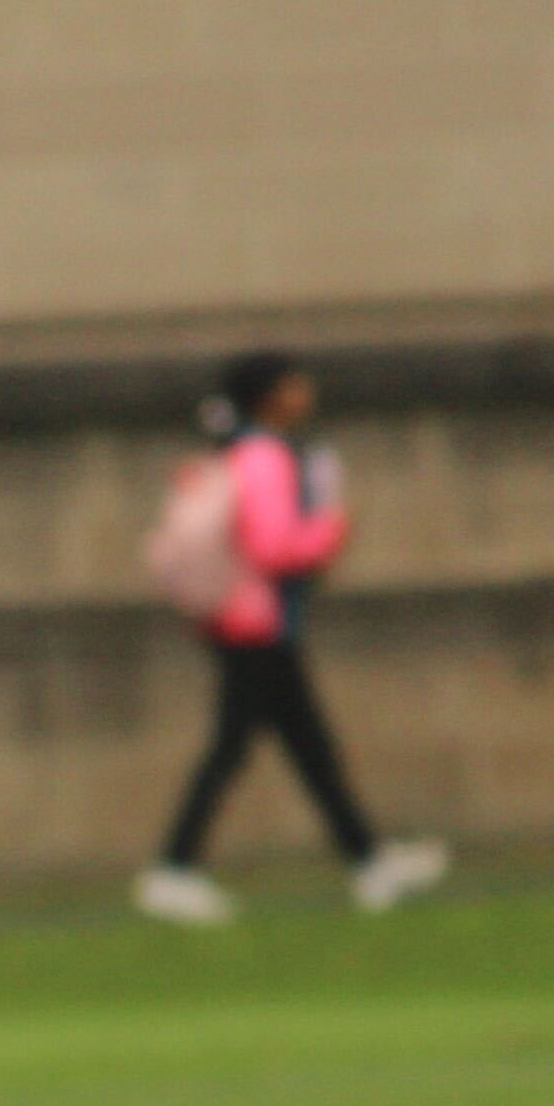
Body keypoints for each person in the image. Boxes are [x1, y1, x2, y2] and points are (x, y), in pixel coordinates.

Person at [136, 351, 446, 924]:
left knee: (309, 750)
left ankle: (369, 860)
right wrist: (331, 526)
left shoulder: (242, 455)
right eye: (293, 384)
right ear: (272, 396)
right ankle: (174, 870)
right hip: (256, 624)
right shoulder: (265, 458)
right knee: (239, 751)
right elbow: (274, 548)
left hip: (250, 623)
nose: (305, 392)